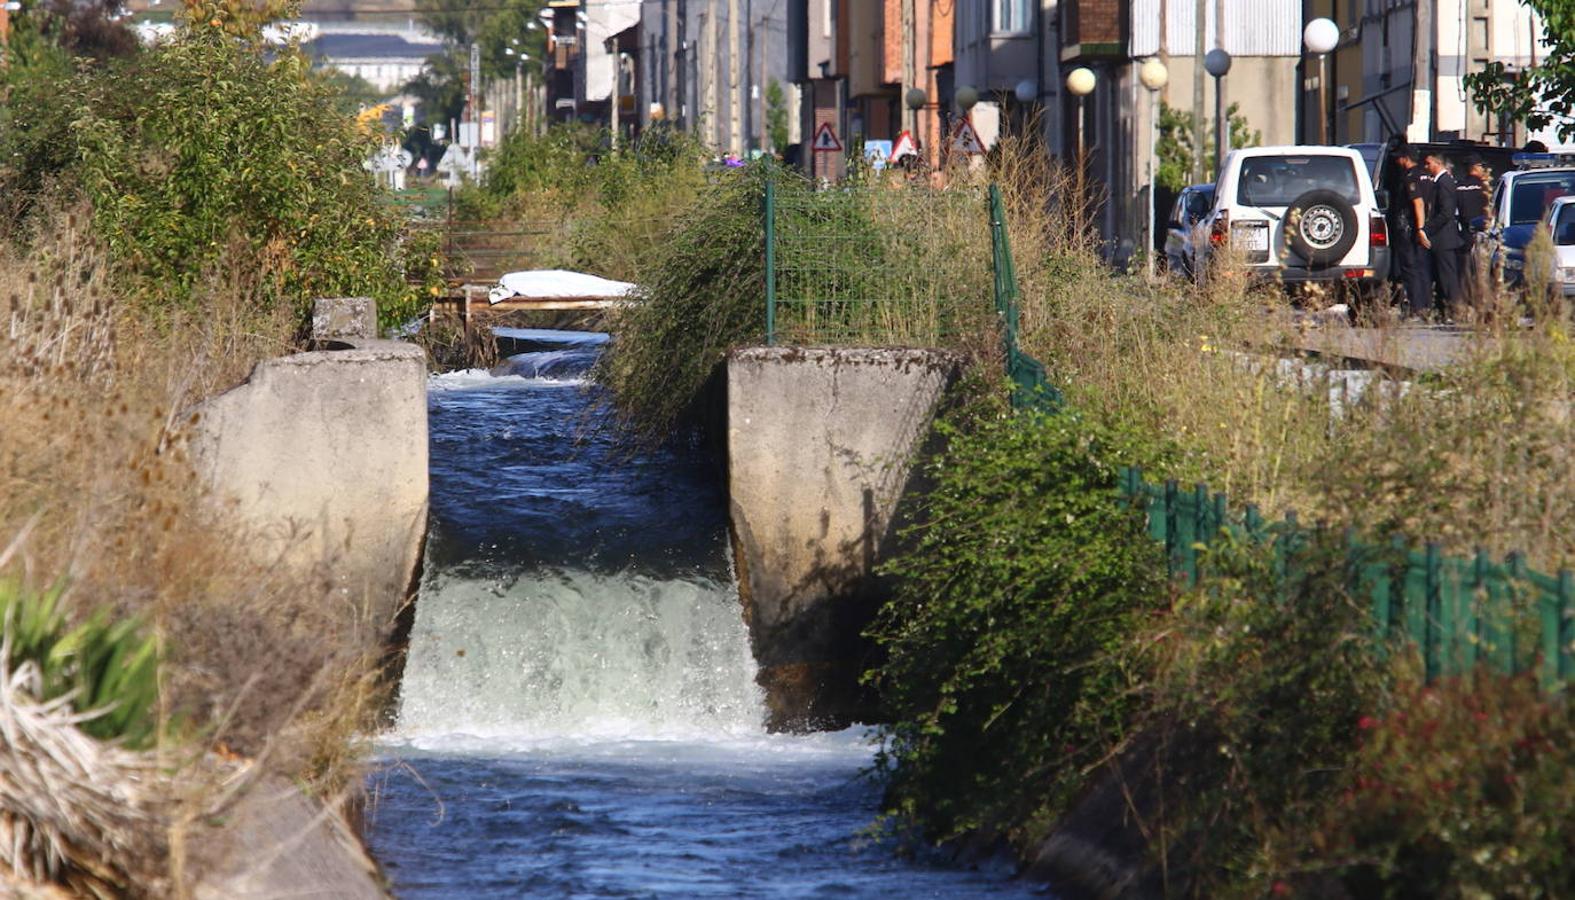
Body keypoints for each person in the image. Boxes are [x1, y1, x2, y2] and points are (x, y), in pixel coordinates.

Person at [1391, 145, 1434, 316]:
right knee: (1422, 267)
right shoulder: (1427, 176)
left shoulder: (1410, 177)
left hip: (1410, 228)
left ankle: (1417, 307)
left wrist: (1419, 228)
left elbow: (1418, 203)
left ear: (1406, 158)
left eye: (1399, 158)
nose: (1397, 161)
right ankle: (1426, 305)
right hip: (1423, 227)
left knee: (1410, 268)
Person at [1421, 150, 1465, 312]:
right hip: (1439, 238)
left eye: (1429, 163)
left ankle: (1454, 309)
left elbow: (1446, 212)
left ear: (1438, 163)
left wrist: (1427, 229)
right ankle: (1442, 309)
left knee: (1448, 277)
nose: (1426, 167)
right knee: (1440, 276)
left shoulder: (1444, 182)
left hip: (1444, 238)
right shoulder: (1438, 182)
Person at [1454, 155, 1491, 303]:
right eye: (1482, 166)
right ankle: (1481, 300)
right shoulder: (1485, 187)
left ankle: (1465, 301)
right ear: (1475, 167)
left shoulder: (1458, 186)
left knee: (1465, 272)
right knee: (1483, 271)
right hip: (1484, 235)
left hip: (1464, 235)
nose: (1484, 170)